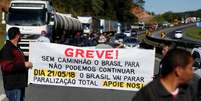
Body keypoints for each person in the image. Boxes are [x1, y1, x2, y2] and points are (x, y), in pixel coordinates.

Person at [132, 48, 197, 101]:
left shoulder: (189, 91)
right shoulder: (147, 94)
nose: (192, 71)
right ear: (178, 71)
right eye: (190, 68)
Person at [0, 27, 33, 101]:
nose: (21, 36)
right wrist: (24, 65)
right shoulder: (7, 49)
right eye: (20, 34)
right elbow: (6, 67)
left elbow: (20, 61)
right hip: (13, 86)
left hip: (19, 84)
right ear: (17, 36)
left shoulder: (17, 48)